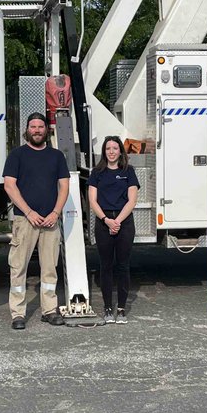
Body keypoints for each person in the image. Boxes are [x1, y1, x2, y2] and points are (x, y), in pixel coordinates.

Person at [3, 112, 70, 330]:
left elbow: (64, 187)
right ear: (27, 130)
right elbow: (9, 186)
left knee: (50, 268)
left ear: (46, 130)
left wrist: (55, 213)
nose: (37, 130)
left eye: (41, 127)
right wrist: (29, 212)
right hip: (25, 221)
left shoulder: (57, 156)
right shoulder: (17, 155)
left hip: (50, 221)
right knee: (18, 267)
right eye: (33, 127)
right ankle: (18, 313)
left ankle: (49, 310)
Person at [87, 136, 140, 324]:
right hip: (103, 222)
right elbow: (92, 200)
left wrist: (116, 221)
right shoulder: (97, 172)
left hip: (123, 222)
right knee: (106, 266)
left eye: (115, 148)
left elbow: (132, 200)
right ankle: (108, 307)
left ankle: (122, 308)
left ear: (120, 151)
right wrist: (106, 220)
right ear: (104, 151)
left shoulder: (129, 171)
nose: (111, 151)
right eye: (108, 148)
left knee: (123, 266)